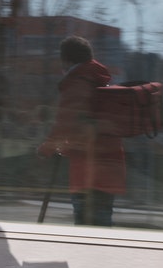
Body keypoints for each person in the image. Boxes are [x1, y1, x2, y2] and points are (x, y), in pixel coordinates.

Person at [37, 35, 125, 226]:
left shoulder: (79, 82)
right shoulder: (98, 79)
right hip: (108, 170)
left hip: (89, 172)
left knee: (88, 232)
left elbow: (65, 122)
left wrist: (45, 149)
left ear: (66, 60)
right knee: (100, 228)